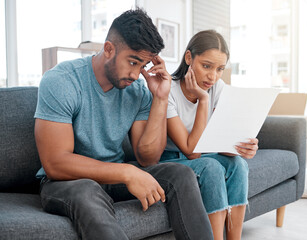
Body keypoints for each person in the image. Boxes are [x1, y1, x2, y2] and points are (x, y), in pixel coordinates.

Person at [34, 9, 213, 240]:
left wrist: (160, 98)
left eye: (143, 65)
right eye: (132, 62)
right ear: (109, 49)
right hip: (67, 182)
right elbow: (56, 163)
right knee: (87, 189)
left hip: (114, 178)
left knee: (181, 174)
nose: (136, 74)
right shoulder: (62, 81)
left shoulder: (137, 90)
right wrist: (126, 172)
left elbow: (147, 158)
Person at [160, 30, 259, 240]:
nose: (213, 76)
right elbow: (192, 151)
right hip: (172, 161)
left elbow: (218, 141)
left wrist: (241, 146)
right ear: (189, 58)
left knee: (238, 164)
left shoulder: (218, 87)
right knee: (211, 167)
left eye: (220, 69)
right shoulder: (169, 90)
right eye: (206, 66)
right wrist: (203, 101)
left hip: (203, 154)